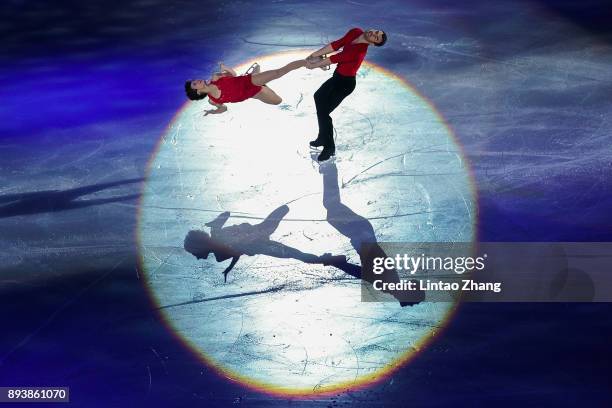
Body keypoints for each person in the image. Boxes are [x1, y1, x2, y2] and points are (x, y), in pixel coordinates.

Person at [184, 206, 346, 282]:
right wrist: (229, 268)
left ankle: (330, 260)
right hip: (261, 244)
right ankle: (330, 259)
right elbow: (236, 253)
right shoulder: (219, 255)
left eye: (194, 253)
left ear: (199, 246)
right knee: (298, 255)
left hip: (260, 237)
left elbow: (226, 214)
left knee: (277, 219)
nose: (197, 258)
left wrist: (215, 222)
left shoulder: (216, 233)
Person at [306, 28, 388, 161]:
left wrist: (313, 65)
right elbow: (337, 44)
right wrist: (315, 55)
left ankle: (329, 147)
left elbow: (335, 58)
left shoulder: (359, 51)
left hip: (345, 85)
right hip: (337, 77)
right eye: (376, 32)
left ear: (373, 44)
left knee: (324, 112)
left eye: (376, 38)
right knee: (318, 96)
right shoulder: (355, 32)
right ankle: (322, 137)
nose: (374, 34)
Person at [184, 60, 307, 115]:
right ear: (198, 92)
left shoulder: (215, 78)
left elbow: (233, 74)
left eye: (195, 81)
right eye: (195, 84)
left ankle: (309, 62)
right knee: (277, 101)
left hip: (250, 81)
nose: (197, 81)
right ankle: (258, 76)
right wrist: (212, 111)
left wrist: (225, 67)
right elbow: (223, 109)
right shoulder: (213, 100)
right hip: (254, 93)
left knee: (278, 73)